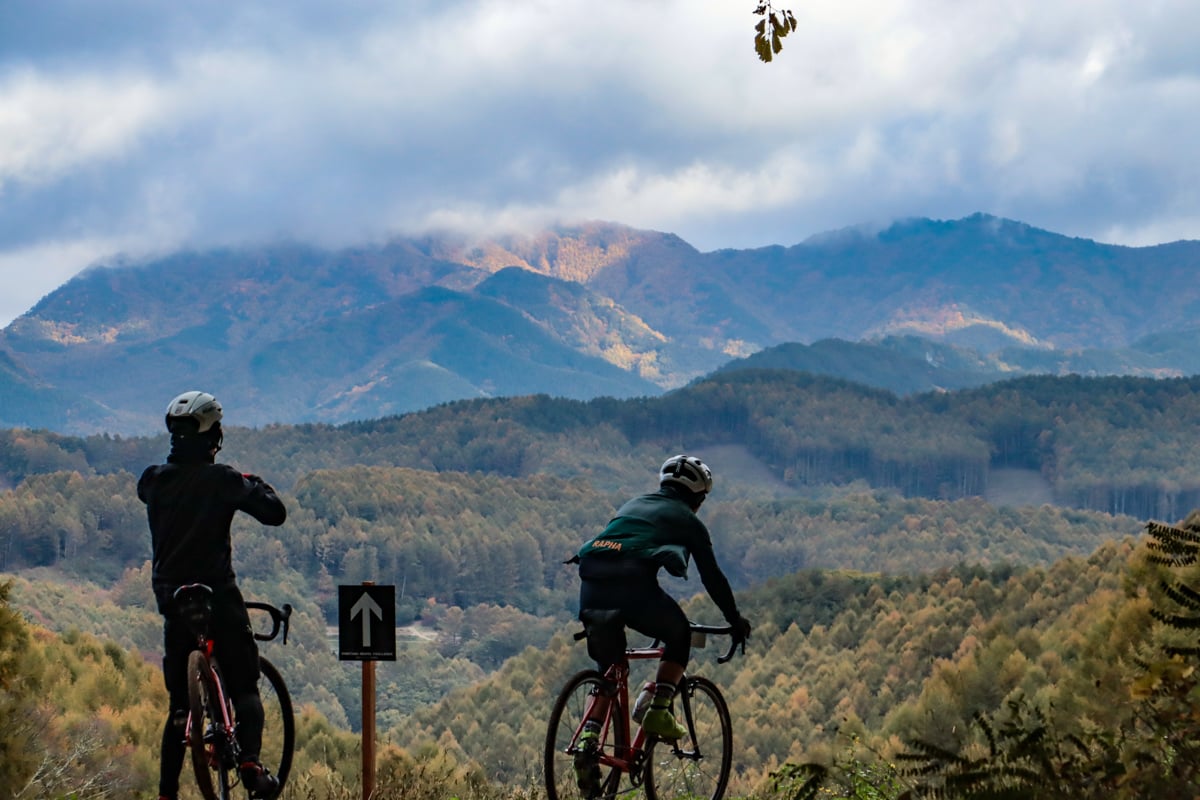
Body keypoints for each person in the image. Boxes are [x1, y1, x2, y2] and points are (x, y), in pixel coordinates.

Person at [138, 391, 286, 800]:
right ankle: (252, 766)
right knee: (244, 686)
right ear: (212, 433)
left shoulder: (152, 481)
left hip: (172, 599)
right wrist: (252, 483)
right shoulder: (223, 481)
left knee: (178, 710)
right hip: (216, 594)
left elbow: (152, 489)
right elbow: (275, 512)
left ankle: (167, 793)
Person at [573, 454, 751, 772]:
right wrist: (734, 619)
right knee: (679, 632)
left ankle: (588, 740)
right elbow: (712, 577)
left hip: (590, 583)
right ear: (698, 498)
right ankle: (658, 707)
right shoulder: (689, 521)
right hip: (631, 586)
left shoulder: (634, 504)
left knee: (608, 672)